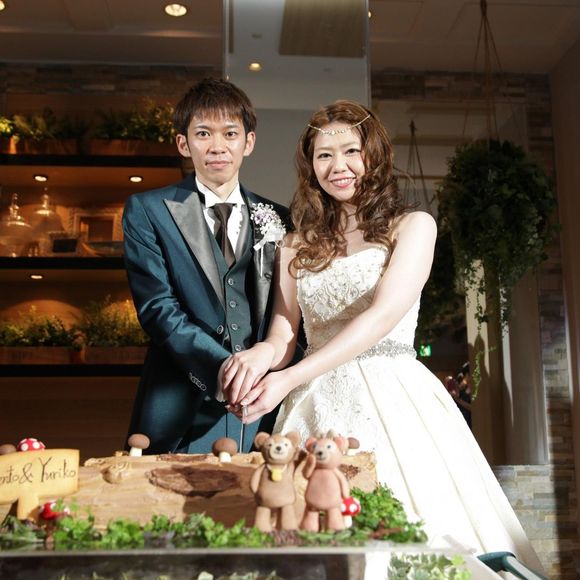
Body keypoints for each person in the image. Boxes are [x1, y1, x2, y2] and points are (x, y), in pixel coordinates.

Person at [221, 100, 544, 571]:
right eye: (324, 155)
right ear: (310, 166)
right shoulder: (294, 244)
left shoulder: (413, 227)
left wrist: (287, 379)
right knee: (312, 530)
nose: (339, 166)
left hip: (394, 394)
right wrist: (259, 357)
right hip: (314, 401)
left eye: (351, 151)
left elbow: (381, 316)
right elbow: (285, 333)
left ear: (374, 155)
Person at [122, 78, 290, 454]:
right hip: (179, 404)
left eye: (230, 133)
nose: (217, 146)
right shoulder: (148, 210)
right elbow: (157, 308)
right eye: (203, 133)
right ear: (183, 143)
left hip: (260, 403)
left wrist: (262, 372)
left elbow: (287, 312)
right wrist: (223, 369)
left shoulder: (280, 218)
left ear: (248, 142)